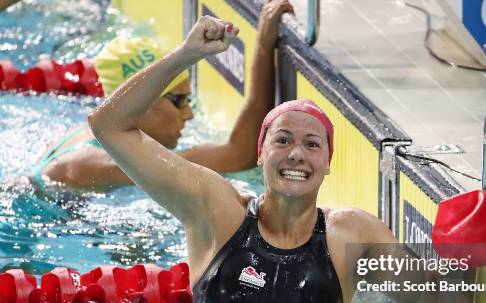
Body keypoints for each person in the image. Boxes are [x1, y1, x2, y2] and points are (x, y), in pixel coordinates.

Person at [88, 15, 477, 303]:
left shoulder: (350, 237)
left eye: (312, 144)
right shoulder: (217, 210)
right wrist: (187, 54)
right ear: (261, 154)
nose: (296, 154)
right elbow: (110, 126)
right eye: (283, 140)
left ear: (328, 163)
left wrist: (466, 246)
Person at [32, 0, 293, 191]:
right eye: (179, 101)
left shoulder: (92, 137)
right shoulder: (93, 164)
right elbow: (239, 155)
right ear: (141, 105)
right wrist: (262, 45)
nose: (189, 114)